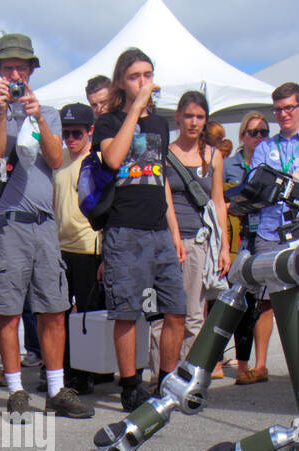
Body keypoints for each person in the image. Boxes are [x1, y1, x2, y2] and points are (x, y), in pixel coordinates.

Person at [0, 34, 91, 419]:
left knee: (54, 308)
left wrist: (37, 116)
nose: (15, 74)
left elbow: (56, 160)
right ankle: (16, 388)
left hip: (44, 223)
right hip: (8, 223)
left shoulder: (49, 112)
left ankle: (56, 388)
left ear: (32, 71)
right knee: (6, 309)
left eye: (21, 68)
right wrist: (4, 112)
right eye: (8, 68)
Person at [91, 48, 187, 412]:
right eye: (135, 76)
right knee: (127, 311)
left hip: (159, 229)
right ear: (121, 81)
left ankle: (165, 380)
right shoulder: (109, 121)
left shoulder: (160, 124)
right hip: (125, 228)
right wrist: (135, 109)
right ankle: (130, 385)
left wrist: (174, 232)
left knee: (176, 309)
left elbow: (160, 178)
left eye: (148, 74)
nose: (144, 81)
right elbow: (113, 159)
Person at [239, 82, 299, 387]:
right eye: (278, 109)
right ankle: (261, 364)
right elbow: (257, 187)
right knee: (268, 301)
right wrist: (289, 183)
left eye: (289, 107)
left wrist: (279, 183)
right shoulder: (266, 146)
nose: (283, 114)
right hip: (268, 233)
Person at [155, 90, 230, 378]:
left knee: (194, 314)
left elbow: (218, 202)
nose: (194, 122)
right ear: (178, 117)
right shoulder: (165, 153)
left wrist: (223, 246)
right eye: (188, 116)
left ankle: (190, 376)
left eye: (199, 117)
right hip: (172, 239)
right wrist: (173, 236)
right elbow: (166, 201)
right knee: (168, 314)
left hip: (202, 241)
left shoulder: (213, 156)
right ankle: (165, 373)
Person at [52, 102, 101, 395]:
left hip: (89, 247)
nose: (70, 139)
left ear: (90, 131)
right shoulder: (59, 162)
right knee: (59, 313)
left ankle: (86, 373)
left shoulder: (96, 161)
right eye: (66, 133)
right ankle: (66, 370)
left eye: (77, 133)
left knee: (85, 316)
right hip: (60, 248)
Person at [220, 111, 269, 377]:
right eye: (254, 132)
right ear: (242, 136)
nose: (259, 137)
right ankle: (217, 361)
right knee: (226, 302)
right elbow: (218, 202)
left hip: (260, 238)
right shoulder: (228, 166)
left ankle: (250, 365)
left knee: (256, 306)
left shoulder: (271, 164)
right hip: (234, 242)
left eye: (264, 132)